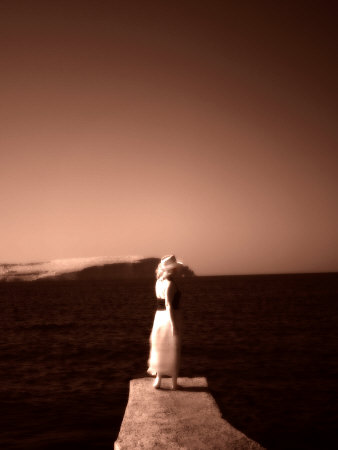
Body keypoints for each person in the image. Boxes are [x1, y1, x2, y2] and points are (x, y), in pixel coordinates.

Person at [147, 255, 182, 390]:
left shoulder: (158, 282)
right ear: (172, 270)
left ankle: (158, 380)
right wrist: (174, 326)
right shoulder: (170, 284)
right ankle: (174, 383)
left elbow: (162, 303)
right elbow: (169, 305)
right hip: (170, 317)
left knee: (160, 347)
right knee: (174, 348)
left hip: (159, 317)